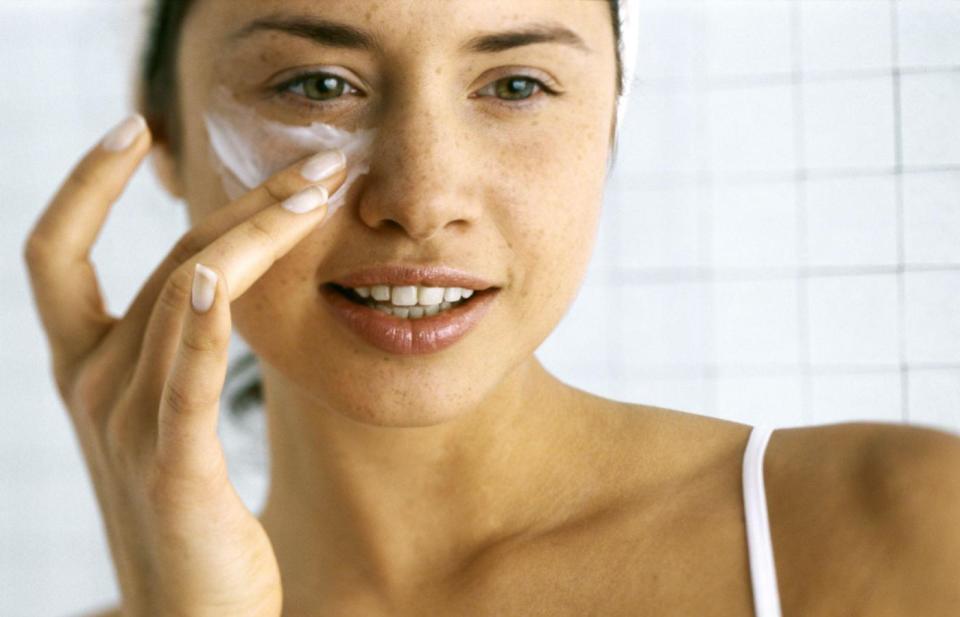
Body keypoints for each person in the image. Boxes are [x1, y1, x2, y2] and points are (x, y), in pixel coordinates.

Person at [21, 1, 960, 616]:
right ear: (163, 130)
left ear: (611, 117)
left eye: (515, 86)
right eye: (317, 86)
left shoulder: (900, 528)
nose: (423, 197)